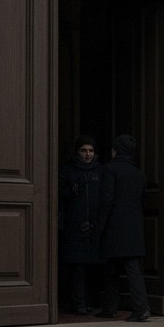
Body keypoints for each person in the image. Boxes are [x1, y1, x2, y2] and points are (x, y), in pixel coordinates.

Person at [96, 134, 150, 322]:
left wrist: (100, 226)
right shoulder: (139, 174)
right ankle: (113, 307)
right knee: (126, 267)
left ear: (115, 151)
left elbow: (106, 200)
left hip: (114, 225)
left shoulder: (110, 169)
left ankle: (136, 308)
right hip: (134, 226)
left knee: (115, 267)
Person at [59, 135, 104, 315]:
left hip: (95, 226)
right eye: (84, 151)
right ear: (77, 152)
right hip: (74, 225)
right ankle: (78, 304)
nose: (88, 154)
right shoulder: (67, 170)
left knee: (95, 266)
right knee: (77, 267)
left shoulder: (101, 171)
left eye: (91, 151)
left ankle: (92, 301)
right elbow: (58, 194)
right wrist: (71, 191)